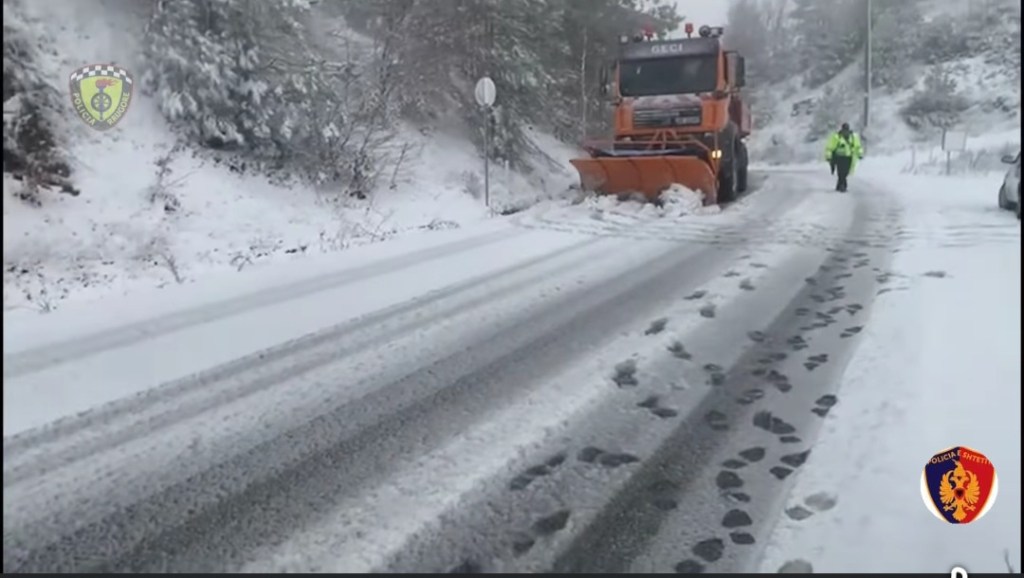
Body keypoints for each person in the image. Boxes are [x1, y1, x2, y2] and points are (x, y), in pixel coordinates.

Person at [824, 122, 864, 192]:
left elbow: (858, 146)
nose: (845, 131)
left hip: (849, 157)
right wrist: (828, 156)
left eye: (846, 130)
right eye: (844, 130)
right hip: (839, 157)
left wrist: (860, 154)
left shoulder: (853, 137)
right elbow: (830, 147)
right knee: (840, 172)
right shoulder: (837, 137)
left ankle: (839, 185)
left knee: (846, 172)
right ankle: (843, 185)